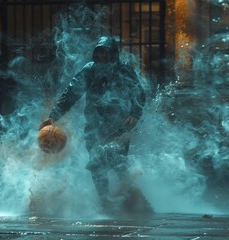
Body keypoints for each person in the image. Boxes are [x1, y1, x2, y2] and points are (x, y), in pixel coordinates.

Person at [39, 36, 152, 215]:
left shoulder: (124, 70)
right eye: (100, 51)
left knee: (118, 164)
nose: (103, 55)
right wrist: (53, 116)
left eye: (106, 52)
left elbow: (139, 93)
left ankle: (136, 201)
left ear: (113, 53)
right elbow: (71, 94)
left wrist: (135, 113)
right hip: (94, 126)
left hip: (118, 127)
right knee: (96, 165)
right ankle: (105, 202)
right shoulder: (89, 70)